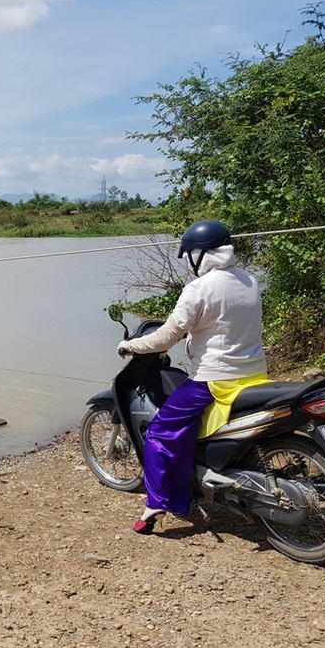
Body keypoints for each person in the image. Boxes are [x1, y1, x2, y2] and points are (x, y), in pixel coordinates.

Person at [116, 220, 268, 534]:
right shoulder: (249, 280)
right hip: (254, 376)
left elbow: (164, 338)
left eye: (189, 257)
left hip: (213, 380)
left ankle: (158, 504)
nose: (188, 264)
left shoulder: (200, 288)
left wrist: (130, 345)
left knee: (160, 433)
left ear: (199, 255)